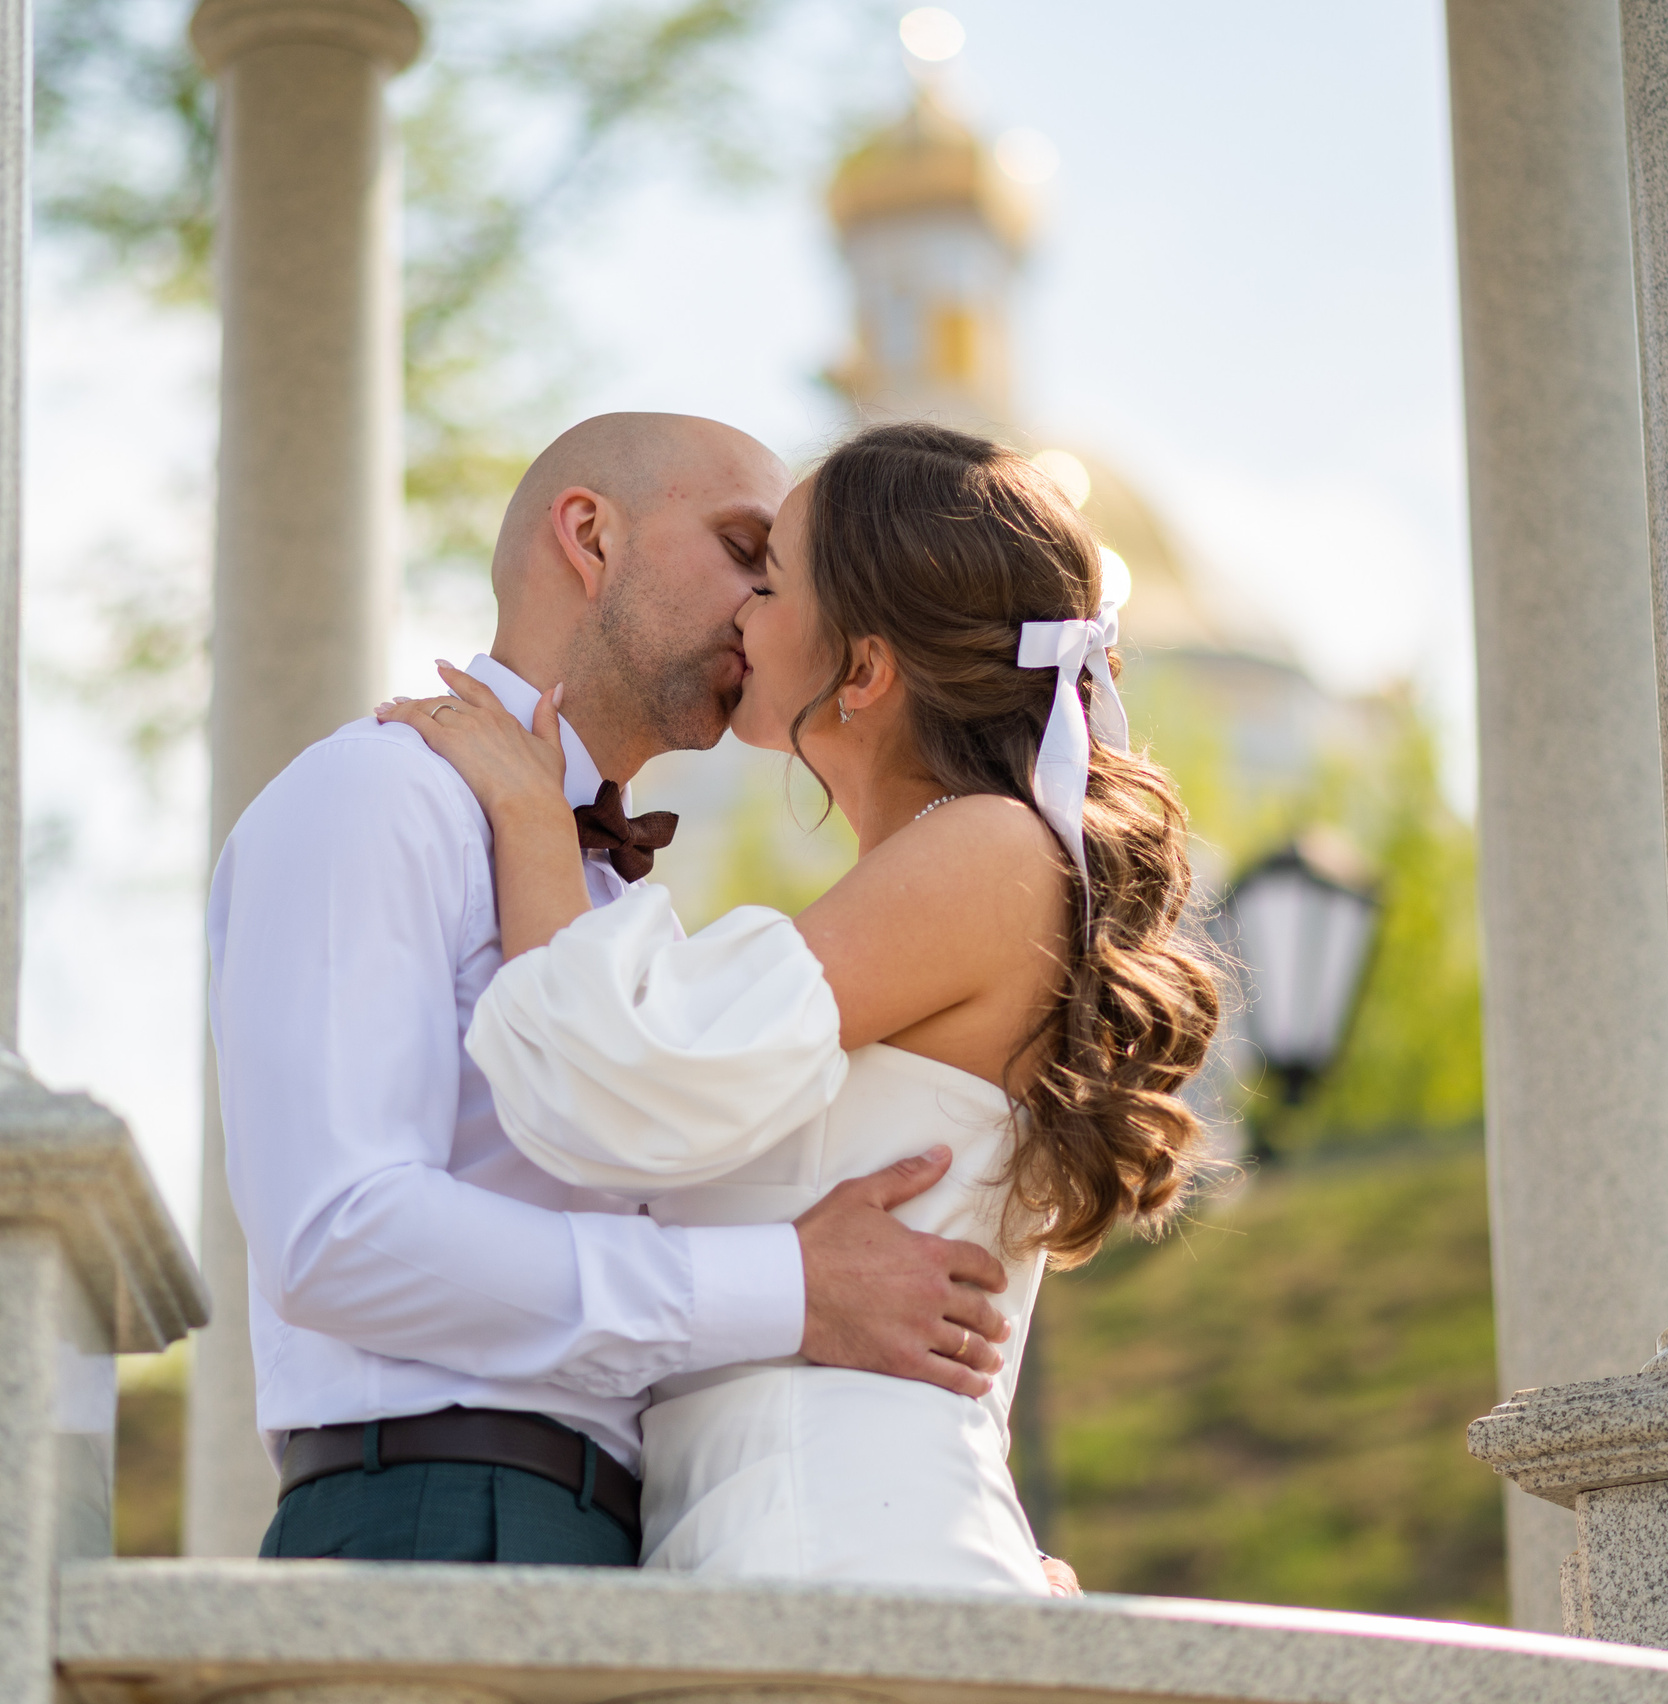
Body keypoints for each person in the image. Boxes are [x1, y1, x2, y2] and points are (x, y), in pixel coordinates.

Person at [378, 420, 1221, 1591]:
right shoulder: (939, 868)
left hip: (831, 1542)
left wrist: (529, 818)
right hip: (779, 1532)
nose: (739, 612)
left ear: (863, 671)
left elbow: (620, 1078)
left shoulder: (982, 849)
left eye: (769, 579)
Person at [209, 412, 1022, 1571]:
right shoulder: (382, 793)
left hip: (642, 1538)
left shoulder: (611, 896)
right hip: (445, 1516)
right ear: (589, 537)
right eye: (747, 550)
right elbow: (341, 1236)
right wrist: (784, 1286)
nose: (762, 607)